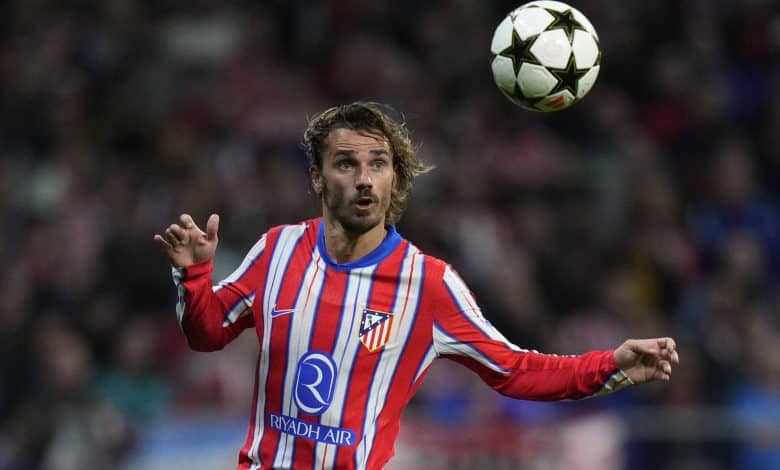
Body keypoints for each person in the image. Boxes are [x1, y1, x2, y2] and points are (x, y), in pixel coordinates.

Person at [153, 101, 679, 470]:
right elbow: (207, 333)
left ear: (394, 179)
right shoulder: (277, 249)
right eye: (346, 164)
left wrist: (610, 366)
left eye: (378, 164)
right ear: (317, 177)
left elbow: (515, 370)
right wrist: (194, 275)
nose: (364, 179)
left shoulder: (428, 284)